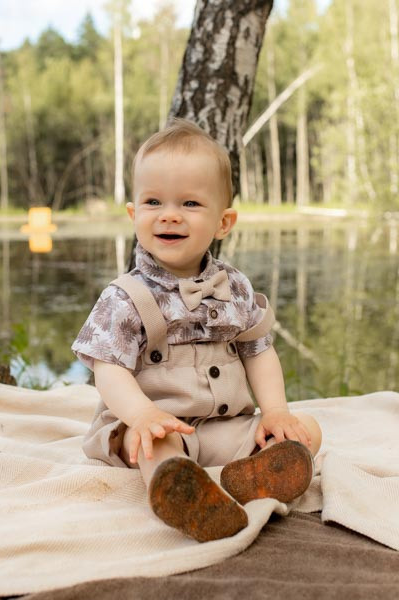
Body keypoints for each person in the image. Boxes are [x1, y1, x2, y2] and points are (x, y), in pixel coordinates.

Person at [72, 118, 322, 542]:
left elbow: (258, 351)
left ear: (223, 222)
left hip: (225, 427)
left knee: (307, 430)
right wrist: (143, 414)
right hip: (158, 425)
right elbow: (107, 369)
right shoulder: (125, 296)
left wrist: (276, 412)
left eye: (189, 204)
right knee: (157, 448)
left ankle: (251, 477)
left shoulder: (235, 287)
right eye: (153, 202)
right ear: (134, 214)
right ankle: (181, 494)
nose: (169, 215)